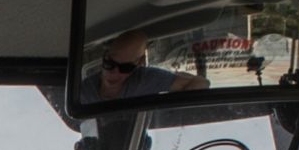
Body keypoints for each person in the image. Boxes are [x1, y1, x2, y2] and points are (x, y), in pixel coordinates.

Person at [81, 30, 210, 103]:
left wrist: (173, 108)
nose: (114, 72)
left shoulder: (144, 79)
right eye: (110, 64)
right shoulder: (84, 89)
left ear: (139, 63)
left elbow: (201, 82)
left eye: (125, 68)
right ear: (104, 56)